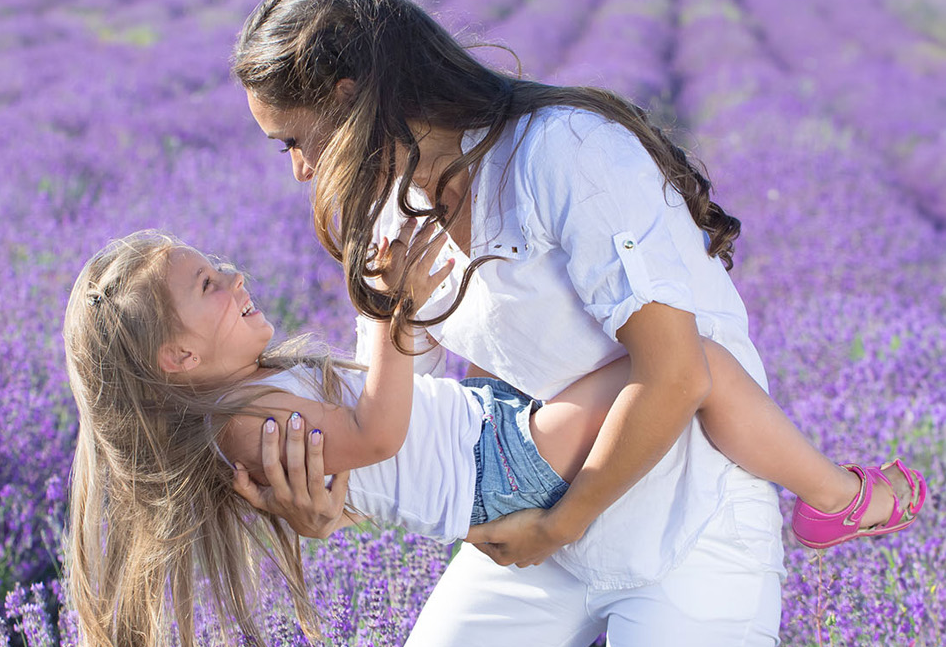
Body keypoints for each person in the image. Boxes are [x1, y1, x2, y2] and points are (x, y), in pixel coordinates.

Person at [223, 0, 926, 645]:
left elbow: (678, 375)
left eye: (294, 140)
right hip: (542, 514)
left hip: (688, 518)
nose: (300, 170)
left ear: (350, 99)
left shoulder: (563, 151)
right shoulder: (388, 211)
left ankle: (838, 498)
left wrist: (560, 526)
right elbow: (421, 416)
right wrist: (335, 509)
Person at [57, 230, 923, 647]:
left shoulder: (250, 394)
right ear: (177, 357)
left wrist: (406, 321)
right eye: (210, 284)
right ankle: (836, 498)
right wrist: (389, 317)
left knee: (660, 360)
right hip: (501, 469)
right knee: (690, 365)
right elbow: (380, 431)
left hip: (494, 437)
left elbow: (387, 425)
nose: (236, 275)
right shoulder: (248, 425)